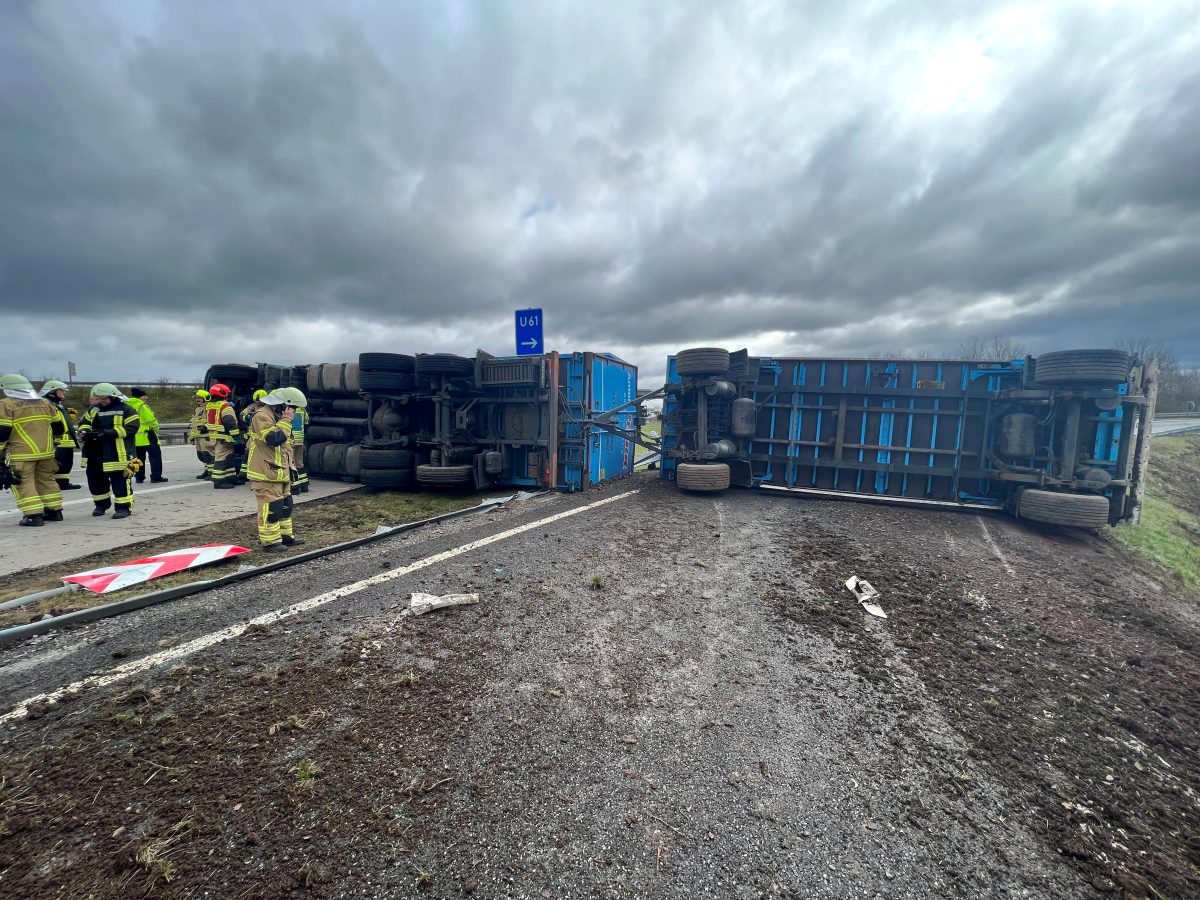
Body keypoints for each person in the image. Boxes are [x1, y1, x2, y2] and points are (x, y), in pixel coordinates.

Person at [247, 387, 308, 553]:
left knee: (286, 505)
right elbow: (274, 439)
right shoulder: (262, 416)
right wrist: (286, 421)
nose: (293, 412)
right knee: (271, 508)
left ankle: (285, 537)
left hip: (280, 472)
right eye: (292, 408)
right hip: (265, 473)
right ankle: (271, 542)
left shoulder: (277, 416)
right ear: (283, 404)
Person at [0, 374, 66, 526]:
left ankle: (33, 516)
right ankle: (55, 511)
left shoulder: (6, 404)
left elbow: (2, 432)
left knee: (23, 483)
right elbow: (59, 427)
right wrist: (54, 444)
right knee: (47, 481)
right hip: (47, 453)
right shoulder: (45, 402)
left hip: (21, 453)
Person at [77, 382, 139, 519]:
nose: (101, 401)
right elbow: (84, 423)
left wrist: (109, 433)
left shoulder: (127, 410)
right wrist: (85, 432)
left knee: (120, 481)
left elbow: (132, 428)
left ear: (113, 396)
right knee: (96, 480)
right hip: (96, 452)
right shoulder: (93, 409)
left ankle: (124, 508)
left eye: (104, 398)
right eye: (98, 398)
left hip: (118, 453)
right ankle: (101, 505)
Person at [39, 379, 82, 490]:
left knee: (66, 463)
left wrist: (67, 412)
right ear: (52, 391)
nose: (64, 393)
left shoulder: (58, 404)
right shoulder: (46, 403)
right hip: (58, 440)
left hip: (66, 440)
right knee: (59, 463)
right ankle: (57, 483)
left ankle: (63, 482)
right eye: (61, 390)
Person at [126, 387, 168, 484]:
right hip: (147, 436)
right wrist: (157, 429)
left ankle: (139, 477)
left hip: (134, 438)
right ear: (140, 397)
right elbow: (151, 420)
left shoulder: (127, 406)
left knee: (137, 458)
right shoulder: (142, 407)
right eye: (145, 396)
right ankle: (156, 477)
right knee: (155, 456)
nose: (147, 398)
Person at [204, 383, 242, 489]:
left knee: (228, 458)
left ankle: (231, 478)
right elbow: (229, 421)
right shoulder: (225, 405)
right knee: (222, 458)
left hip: (214, 436)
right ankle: (218, 481)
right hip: (223, 437)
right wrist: (236, 435)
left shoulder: (210, 405)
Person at [188, 390, 213, 479]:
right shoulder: (198, 409)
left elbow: (212, 421)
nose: (197, 400)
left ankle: (212, 472)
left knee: (209, 454)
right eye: (196, 398)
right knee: (202, 455)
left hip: (205, 436)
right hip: (198, 436)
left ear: (205, 398)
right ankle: (207, 470)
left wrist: (206, 427)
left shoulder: (209, 408)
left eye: (199, 398)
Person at [290, 401, 310, 493]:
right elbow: (306, 421)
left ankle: (295, 487)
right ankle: (304, 485)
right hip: (300, 439)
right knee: (299, 462)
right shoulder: (302, 410)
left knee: (291, 462)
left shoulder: (289, 410)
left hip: (291, 439)